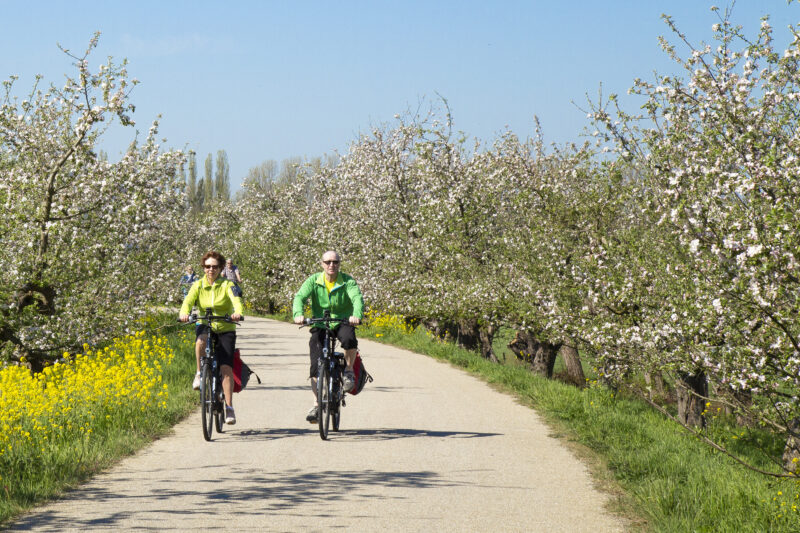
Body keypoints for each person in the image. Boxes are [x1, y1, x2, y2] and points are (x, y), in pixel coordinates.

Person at [293, 250, 364, 423]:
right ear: (322, 264)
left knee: (349, 338)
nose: (331, 265)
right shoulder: (314, 280)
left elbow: (357, 299)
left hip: (342, 321)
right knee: (315, 363)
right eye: (328, 262)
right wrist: (298, 314)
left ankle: (348, 371)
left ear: (339, 264)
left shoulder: (347, 281)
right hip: (320, 323)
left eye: (335, 262)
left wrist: (356, 315)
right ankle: (317, 404)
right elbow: (300, 297)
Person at [179, 251, 244, 424]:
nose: (211, 270)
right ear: (203, 268)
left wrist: (237, 313)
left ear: (221, 268)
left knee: (226, 368)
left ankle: (229, 407)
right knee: (201, 341)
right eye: (207, 266)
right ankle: (199, 373)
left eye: (215, 267)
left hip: (225, 326)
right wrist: (184, 313)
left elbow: (236, 300)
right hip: (205, 323)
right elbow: (188, 301)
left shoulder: (227, 285)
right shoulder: (198, 285)